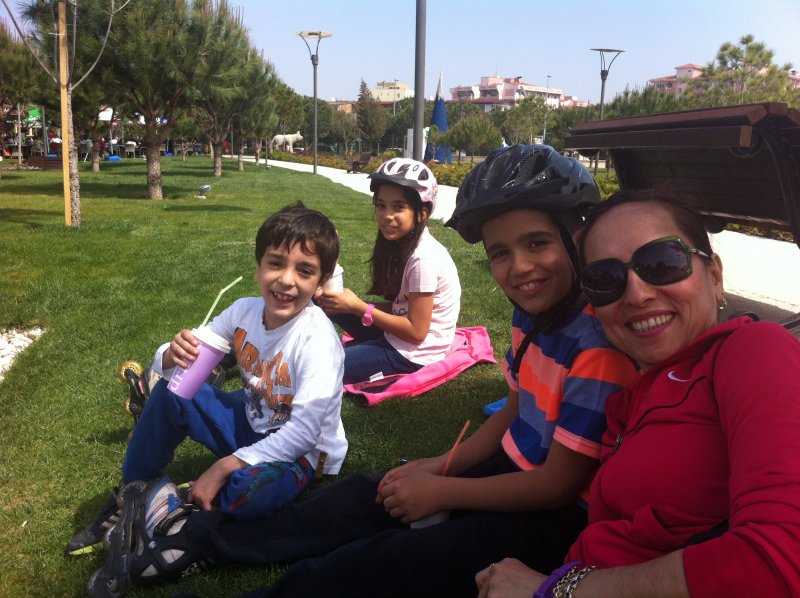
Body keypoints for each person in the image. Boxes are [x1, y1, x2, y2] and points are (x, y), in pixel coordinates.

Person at [139, 144, 639, 598]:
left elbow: (556, 486)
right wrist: (439, 465)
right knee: (365, 495)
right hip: (507, 471)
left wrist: (444, 489)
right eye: (501, 253)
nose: (521, 267)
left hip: (548, 518)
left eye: (537, 243)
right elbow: (515, 409)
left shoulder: (596, 348)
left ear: (578, 238)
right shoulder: (533, 318)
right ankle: (197, 540)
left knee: (384, 562)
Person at [475, 190, 800, 597]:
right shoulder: (630, 398)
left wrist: (556, 590)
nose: (637, 294)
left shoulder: (753, 349)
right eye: (605, 279)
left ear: (715, 276)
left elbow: (780, 559)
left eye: (662, 263)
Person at [72, 204, 349, 583]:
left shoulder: (317, 340)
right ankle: (136, 492)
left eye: (304, 271)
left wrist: (225, 465)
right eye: (276, 263)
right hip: (251, 418)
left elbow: (303, 433)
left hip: (304, 453)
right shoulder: (243, 312)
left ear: (320, 283)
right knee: (172, 392)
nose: (286, 280)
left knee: (253, 492)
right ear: (258, 268)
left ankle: (178, 516)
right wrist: (170, 353)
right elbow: (180, 371)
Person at [319, 157, 461, 385]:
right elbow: (400, 307)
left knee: (318, 367)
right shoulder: (403, 245)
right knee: (322, 299)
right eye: (381, 205)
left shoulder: (423, 259)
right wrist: (349, 305)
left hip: (414, 353)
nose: (386, 215)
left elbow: (416, 332)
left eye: (398, 207)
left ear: (422, 213)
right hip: (397, 335)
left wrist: (359, 308)